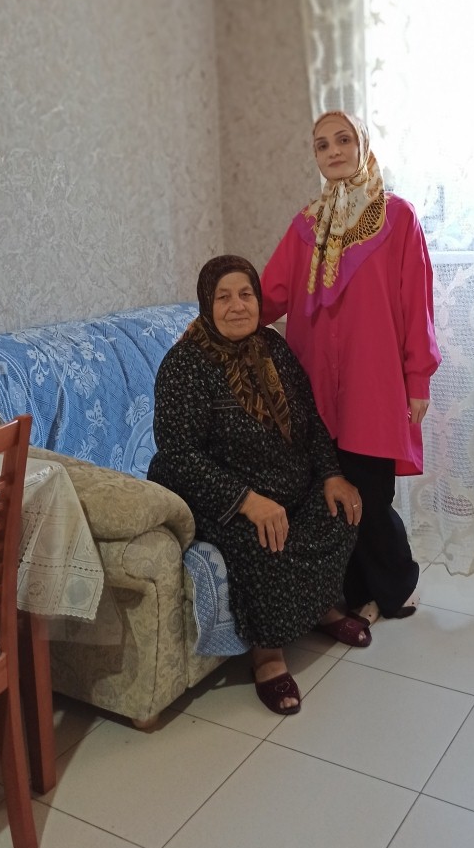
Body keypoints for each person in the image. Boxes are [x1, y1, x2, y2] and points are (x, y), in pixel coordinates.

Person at [147, 254, 368, 717]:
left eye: (246, 294)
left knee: (341, 510)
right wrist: (247, 501)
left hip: (288, 484)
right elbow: (178, 455)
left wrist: (331, 474)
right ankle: (268, 655)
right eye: (223, 297)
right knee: (266, 541)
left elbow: (309, 420)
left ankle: (323, 609)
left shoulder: (272, 348)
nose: (237, 306)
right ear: (206, 304)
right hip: (222, 493)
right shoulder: (185, 365)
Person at [261, 111, 441, 629]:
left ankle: (396, 584)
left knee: (371, 495)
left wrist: (417, 379)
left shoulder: (398, 219)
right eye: (322, 144)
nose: (334, 151)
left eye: (343, 140)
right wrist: (215, 319)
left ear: (362, 146)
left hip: (373, 383)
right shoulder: (305, 228)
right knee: (330, 494)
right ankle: (351, 591)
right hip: (316, 383)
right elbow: (270, 294)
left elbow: (416, 305)